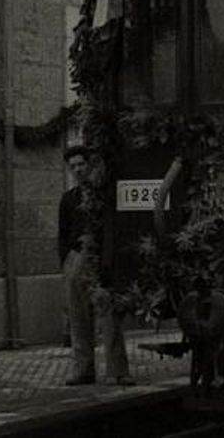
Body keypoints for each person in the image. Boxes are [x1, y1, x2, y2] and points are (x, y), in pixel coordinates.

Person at [59, 145, 133, 386]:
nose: (78, 170)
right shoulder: (68, 198)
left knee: (109, 314)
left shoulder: (103, 195)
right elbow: (62, 233)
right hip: (76, 258)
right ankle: (83, 370)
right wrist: (67, 261)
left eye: (81, 164)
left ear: (89, 165)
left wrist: (108, 261)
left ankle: (117, 370)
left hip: (101, 258)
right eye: (73, 166)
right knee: (78, 317)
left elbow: (112, 228)